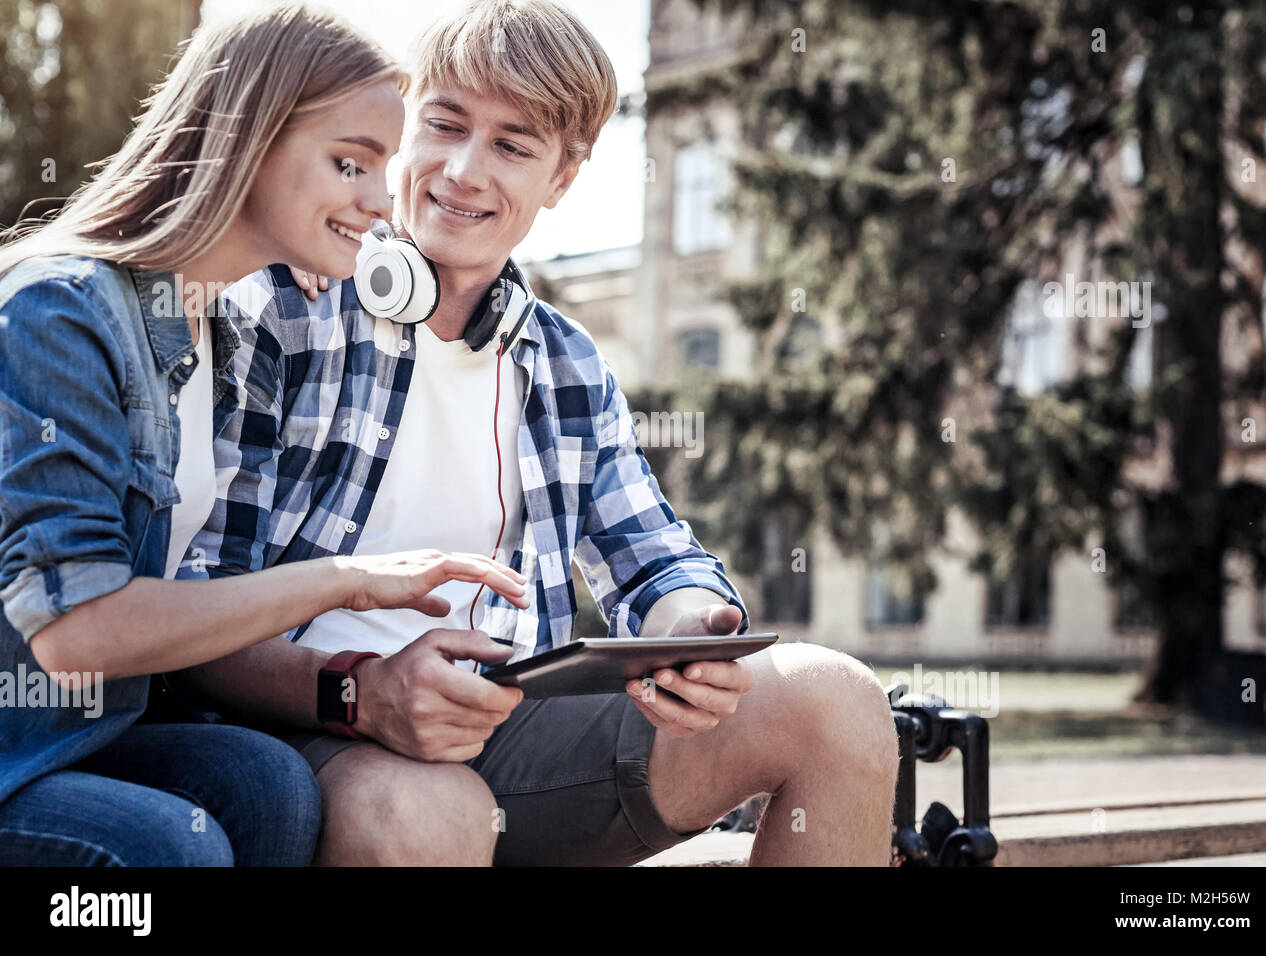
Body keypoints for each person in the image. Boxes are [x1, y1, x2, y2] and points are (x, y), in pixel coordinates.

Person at [176, 0, 899, 866]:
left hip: (509, 734)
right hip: (314, 728)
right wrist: (360, 694)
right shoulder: (280, 306)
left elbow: (654, 558)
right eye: (444, 125)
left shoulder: (564, 360)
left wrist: (691, 636)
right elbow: (192, 616)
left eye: (513, 146)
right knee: (433, 815)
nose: (463, 171)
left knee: (838, 700)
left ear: (562, 177)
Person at [0, 2, 529, 866]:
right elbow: (78, 631)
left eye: (380, 167)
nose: (377, 200)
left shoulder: (219, 332)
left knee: (269, 786)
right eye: (348, 164)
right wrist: (345, 582)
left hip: (85, 731)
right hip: (17, 741)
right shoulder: (62, 310)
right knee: (170, 846)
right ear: (248, 142)